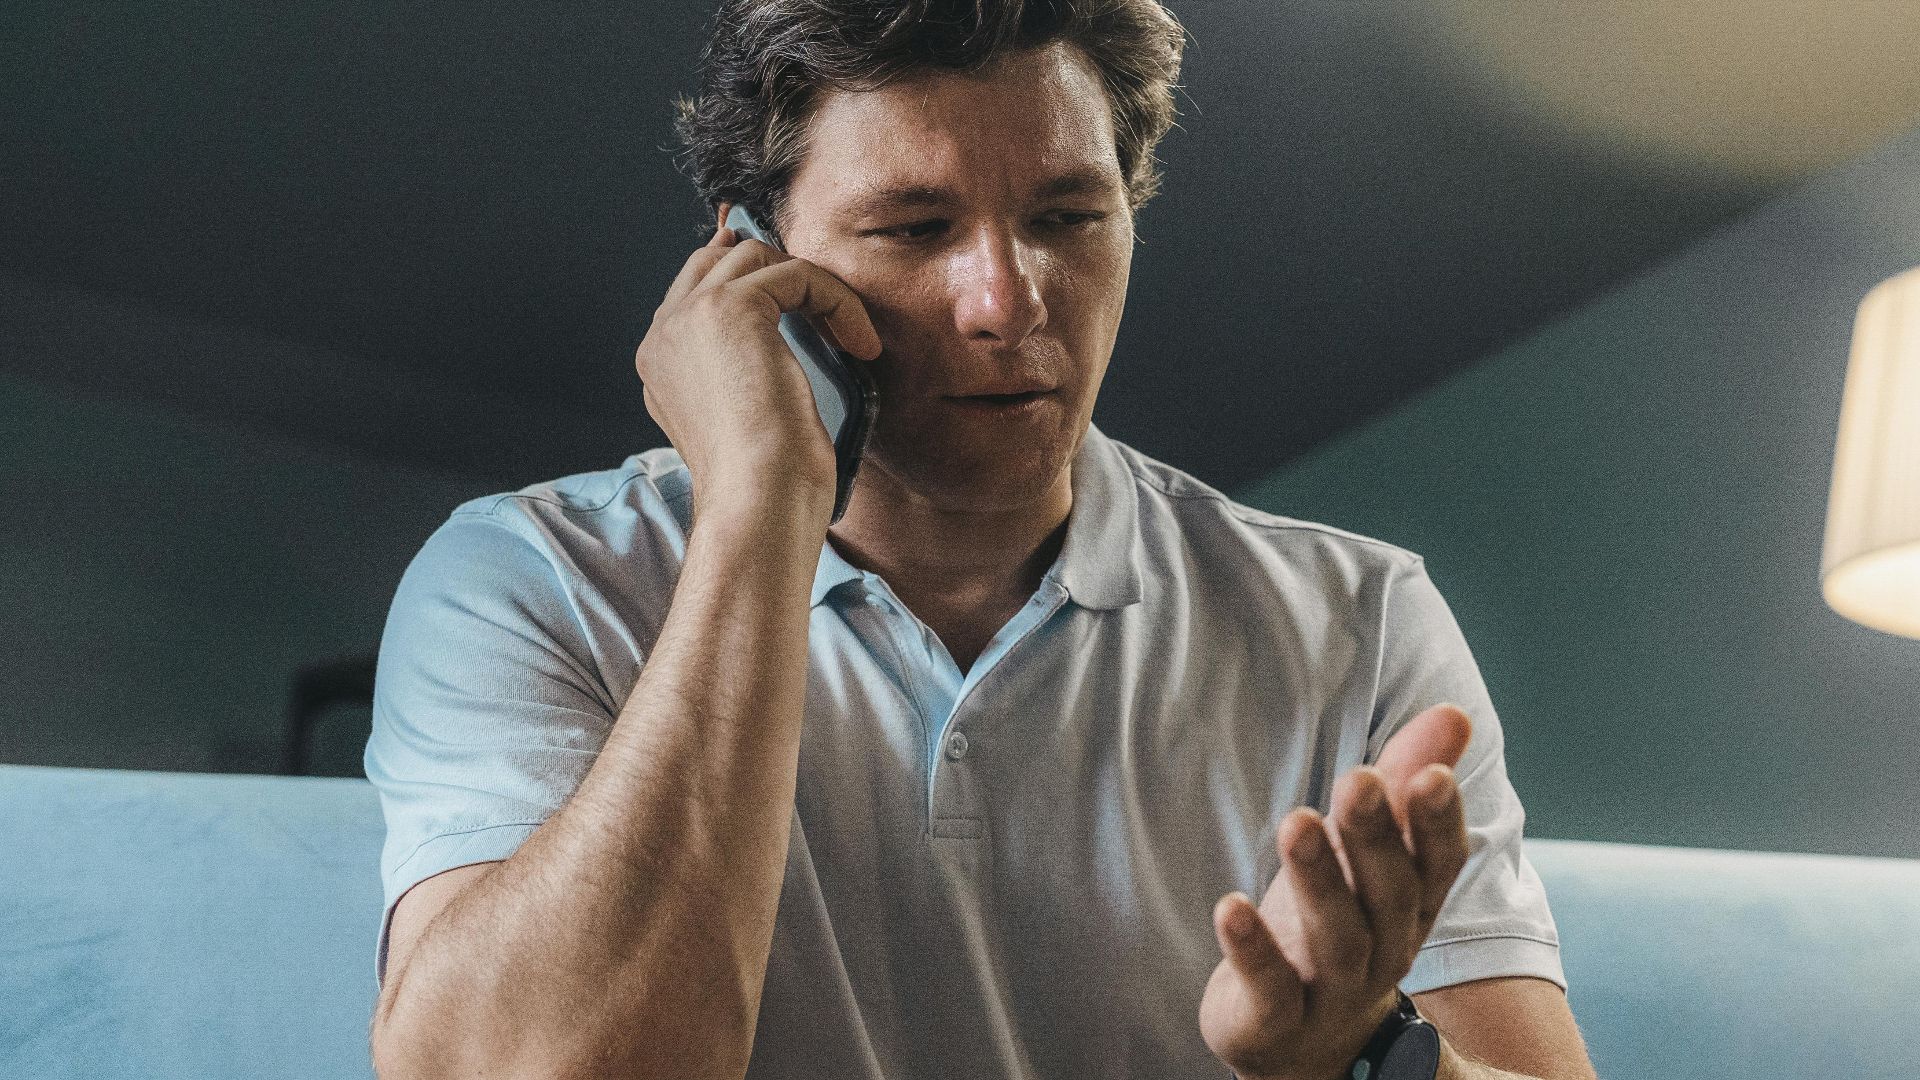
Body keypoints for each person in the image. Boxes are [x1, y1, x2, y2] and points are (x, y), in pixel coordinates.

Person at [364, 2, 1599, 1078]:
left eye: (1069, 216)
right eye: (912, 229)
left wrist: (1353, 1059)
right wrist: (756, 511)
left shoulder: (1358, 621)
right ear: (751, 265)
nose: (1007, 300)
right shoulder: (526, 582)